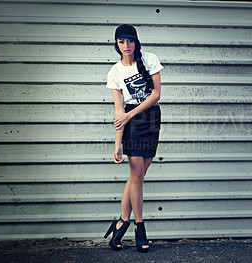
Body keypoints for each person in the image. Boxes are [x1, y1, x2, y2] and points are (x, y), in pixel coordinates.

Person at [103, 24, 163, 253]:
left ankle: (121, 222)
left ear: (136, 41)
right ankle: (139, 226)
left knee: (137, 176)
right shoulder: (114, 72)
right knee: (137, 176)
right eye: (121, 41)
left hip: (151, 118)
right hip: (132, 123)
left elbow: (156, 94)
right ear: (116, 44)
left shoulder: (150, 59)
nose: (126, 45)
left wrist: (130, 114)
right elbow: (120, 112)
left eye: (130, 40)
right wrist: (117, 144)